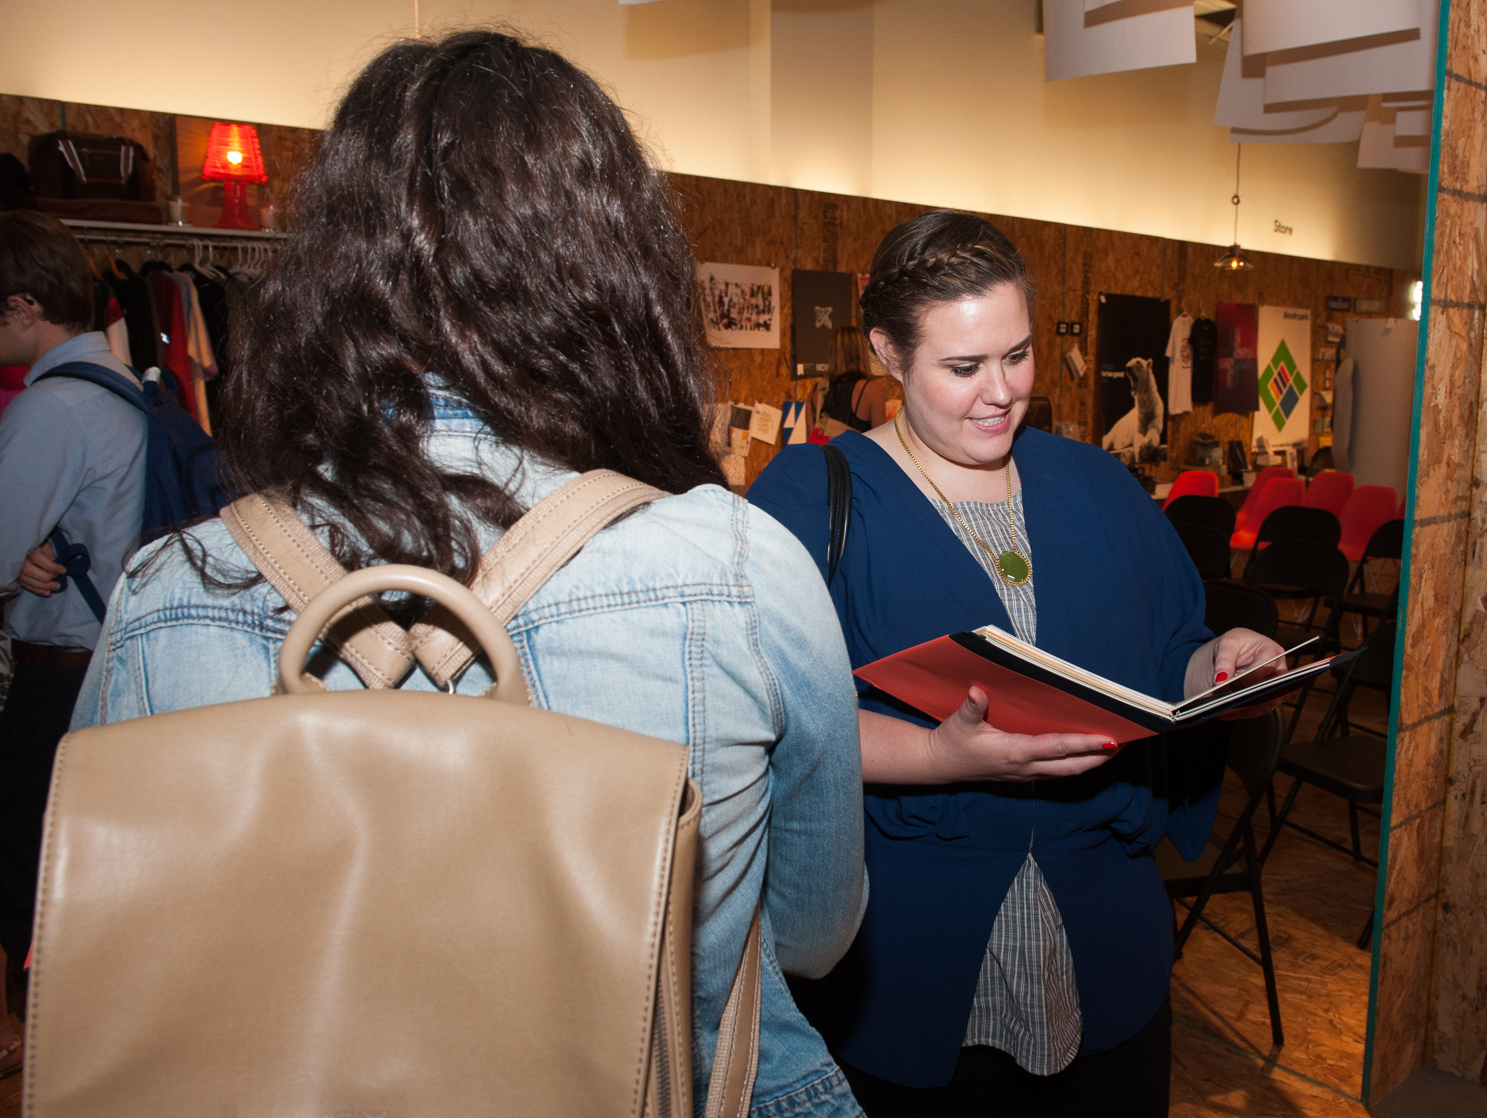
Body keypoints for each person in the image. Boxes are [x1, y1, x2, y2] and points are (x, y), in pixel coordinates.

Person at [69, 32, 868, 1117]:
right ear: (618, 273)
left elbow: (110, 926)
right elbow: (816, 937)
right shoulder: (737, 569)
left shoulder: (169, 588)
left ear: (330, 273)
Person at [748, 211, 1284, 1117]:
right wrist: (934, 758)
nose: (1000, 392)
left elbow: (1171, 651)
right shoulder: (812, 497)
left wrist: (1221, 668)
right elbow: (771, 710)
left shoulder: (1096, 484)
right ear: (888, 351)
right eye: (963, 368)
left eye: (1018, 355)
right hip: (909, 944)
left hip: (1102, 934)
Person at [0, 209, 148, 1045]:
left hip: (59, 668)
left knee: (29, 857)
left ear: (22, 307)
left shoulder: (50, 409)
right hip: (112, 654)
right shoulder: (123, 385)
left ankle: (40, 1040)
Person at [822, 325, 890, 430]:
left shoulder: (817, 391)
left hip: (823, 446)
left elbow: (811, 439)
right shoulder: (872, 390)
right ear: (861, 352)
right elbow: (879, 441)